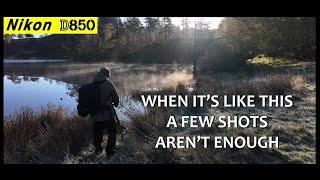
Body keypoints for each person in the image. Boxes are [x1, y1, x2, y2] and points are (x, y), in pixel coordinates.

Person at [90, 67, 119, 157]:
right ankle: (110, 151)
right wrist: (115, 104)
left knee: (97, 132)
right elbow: (116, 98)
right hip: (107, 114)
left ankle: (98, 150)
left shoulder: (91, 84)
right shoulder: (109, 84)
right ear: (106, 75)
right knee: (112, 131)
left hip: (95, 115)